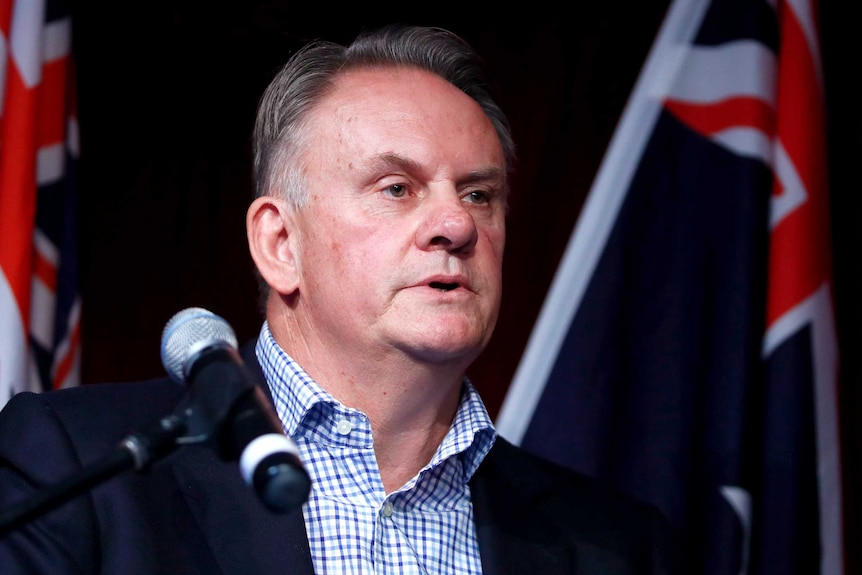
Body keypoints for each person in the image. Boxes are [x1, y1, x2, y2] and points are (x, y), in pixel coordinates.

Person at [0, 24, 680, 574]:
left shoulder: (617, 546)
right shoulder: (80, 468)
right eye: (397, 188)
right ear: (280, 243)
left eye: (479, 193)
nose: (458, 224)